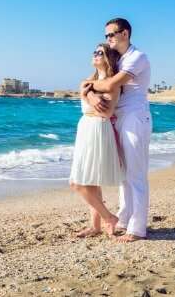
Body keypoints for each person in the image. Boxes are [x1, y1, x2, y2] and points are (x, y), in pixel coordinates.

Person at [83, 18, 152, 243]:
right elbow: (98, 82)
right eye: (106, 36)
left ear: (125, 34)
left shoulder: (137, 57)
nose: (108, 39)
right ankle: (123, 219)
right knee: (124, 175)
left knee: (136, 174)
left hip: (135, 117)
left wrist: (88, 89)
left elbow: (112, 84)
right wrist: (90, 93)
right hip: (117, 118)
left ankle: (138, 228)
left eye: (111, 34)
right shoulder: (118, 59)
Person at [69, 43, 125, 238]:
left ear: (108, 58)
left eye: (100, 53)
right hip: (85, 128)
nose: (95, 55)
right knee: (89, 181)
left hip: (98, 128)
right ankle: (95, 225)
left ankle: (109, 217)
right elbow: (87, 95)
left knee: (77, 183)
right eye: (94, 52)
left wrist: (89, 96)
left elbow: (107, 111)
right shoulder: (86, 81)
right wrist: (92, 96)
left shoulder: (113, 83)